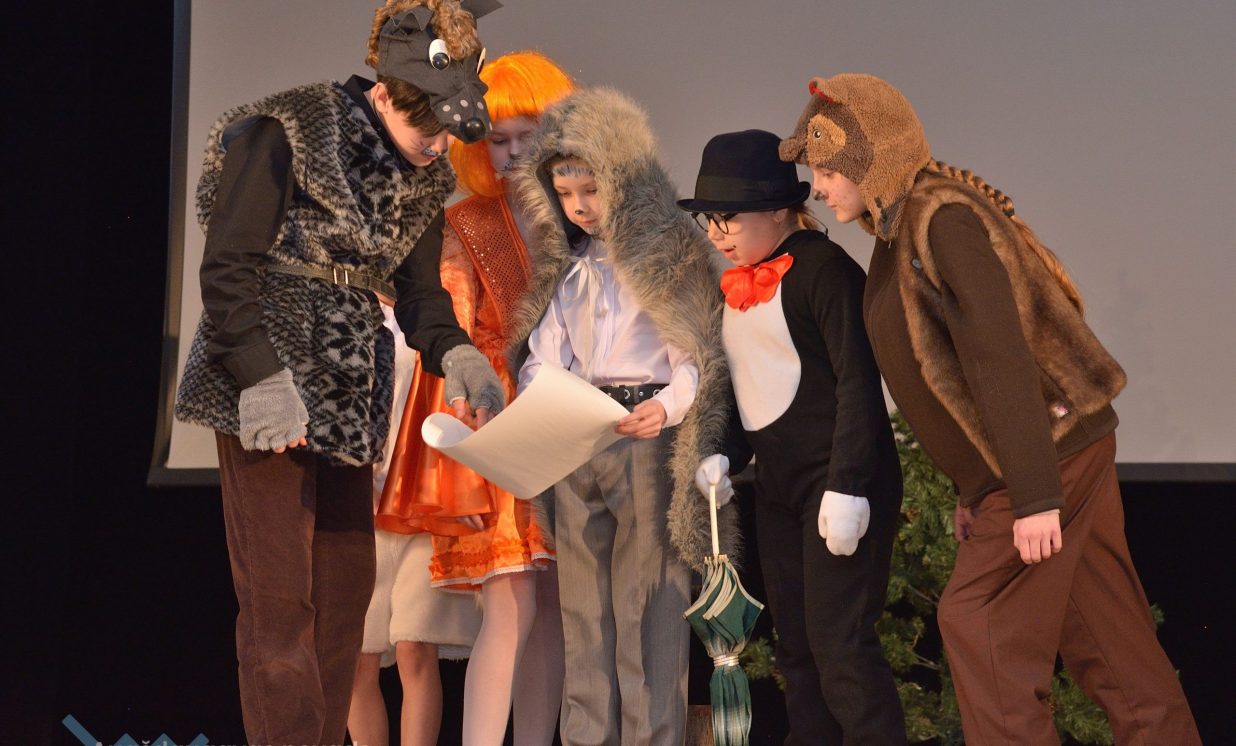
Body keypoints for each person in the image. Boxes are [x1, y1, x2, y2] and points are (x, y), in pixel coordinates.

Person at [780, 73, 1201, 745]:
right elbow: (955, 375)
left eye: (828, 171)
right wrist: (976, 486)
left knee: (980, 624)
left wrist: (1033, 494)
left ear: (873, 159)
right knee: (1107, 641)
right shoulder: (898, 233)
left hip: (1050, 453)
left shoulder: (942, 220)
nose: (819, 188)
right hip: (1041, 457)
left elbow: (998, 354)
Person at [172, 2, 504, 743]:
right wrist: (261, 378)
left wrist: (457, 354)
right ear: (385, 94)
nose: (437, 147)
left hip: (350, 385)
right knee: (280, 597)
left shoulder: (423, 174)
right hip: (268, 367)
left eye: (447, 134)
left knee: (346, 591)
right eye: (426, 131)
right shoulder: (290, 128)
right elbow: (227, 267)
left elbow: (420, 295)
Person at [506, 87, 735, 745]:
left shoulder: (668, 255)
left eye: (592, 189)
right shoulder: (569, 266)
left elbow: (695, 355)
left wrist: (665, 406)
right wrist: (543, 403)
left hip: (645, 437)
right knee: (582, 610)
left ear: (624, 179)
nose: (580, 206)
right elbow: (542, 357)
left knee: (648, 609)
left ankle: (652, 736)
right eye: (565, 193)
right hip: (580, 437)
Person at [372, 51, 574, 746]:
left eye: (527, 136)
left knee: (551, 604)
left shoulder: (586, 216)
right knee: (511, 598)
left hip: (571, 419)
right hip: (501, 418)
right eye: (498, 139)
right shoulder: (467, 221)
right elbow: (450, 325)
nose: (513, 153)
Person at [683, 130, 906, 744]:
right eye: (709, 219)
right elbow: (754, 386)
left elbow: (859, 383)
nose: (717, 233)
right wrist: (725, 454)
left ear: (780, 209)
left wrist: (847, 485)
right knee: (798, 650)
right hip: (780, 488)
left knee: (841, 645)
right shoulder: (738, 283)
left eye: (730, 217)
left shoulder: (824, 270)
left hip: (839, 483)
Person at [346, 303, 482, 746]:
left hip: (422, 503)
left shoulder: (432, 311)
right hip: (359, 505)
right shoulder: (347, 308)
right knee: (357, 659)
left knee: (415, 647)